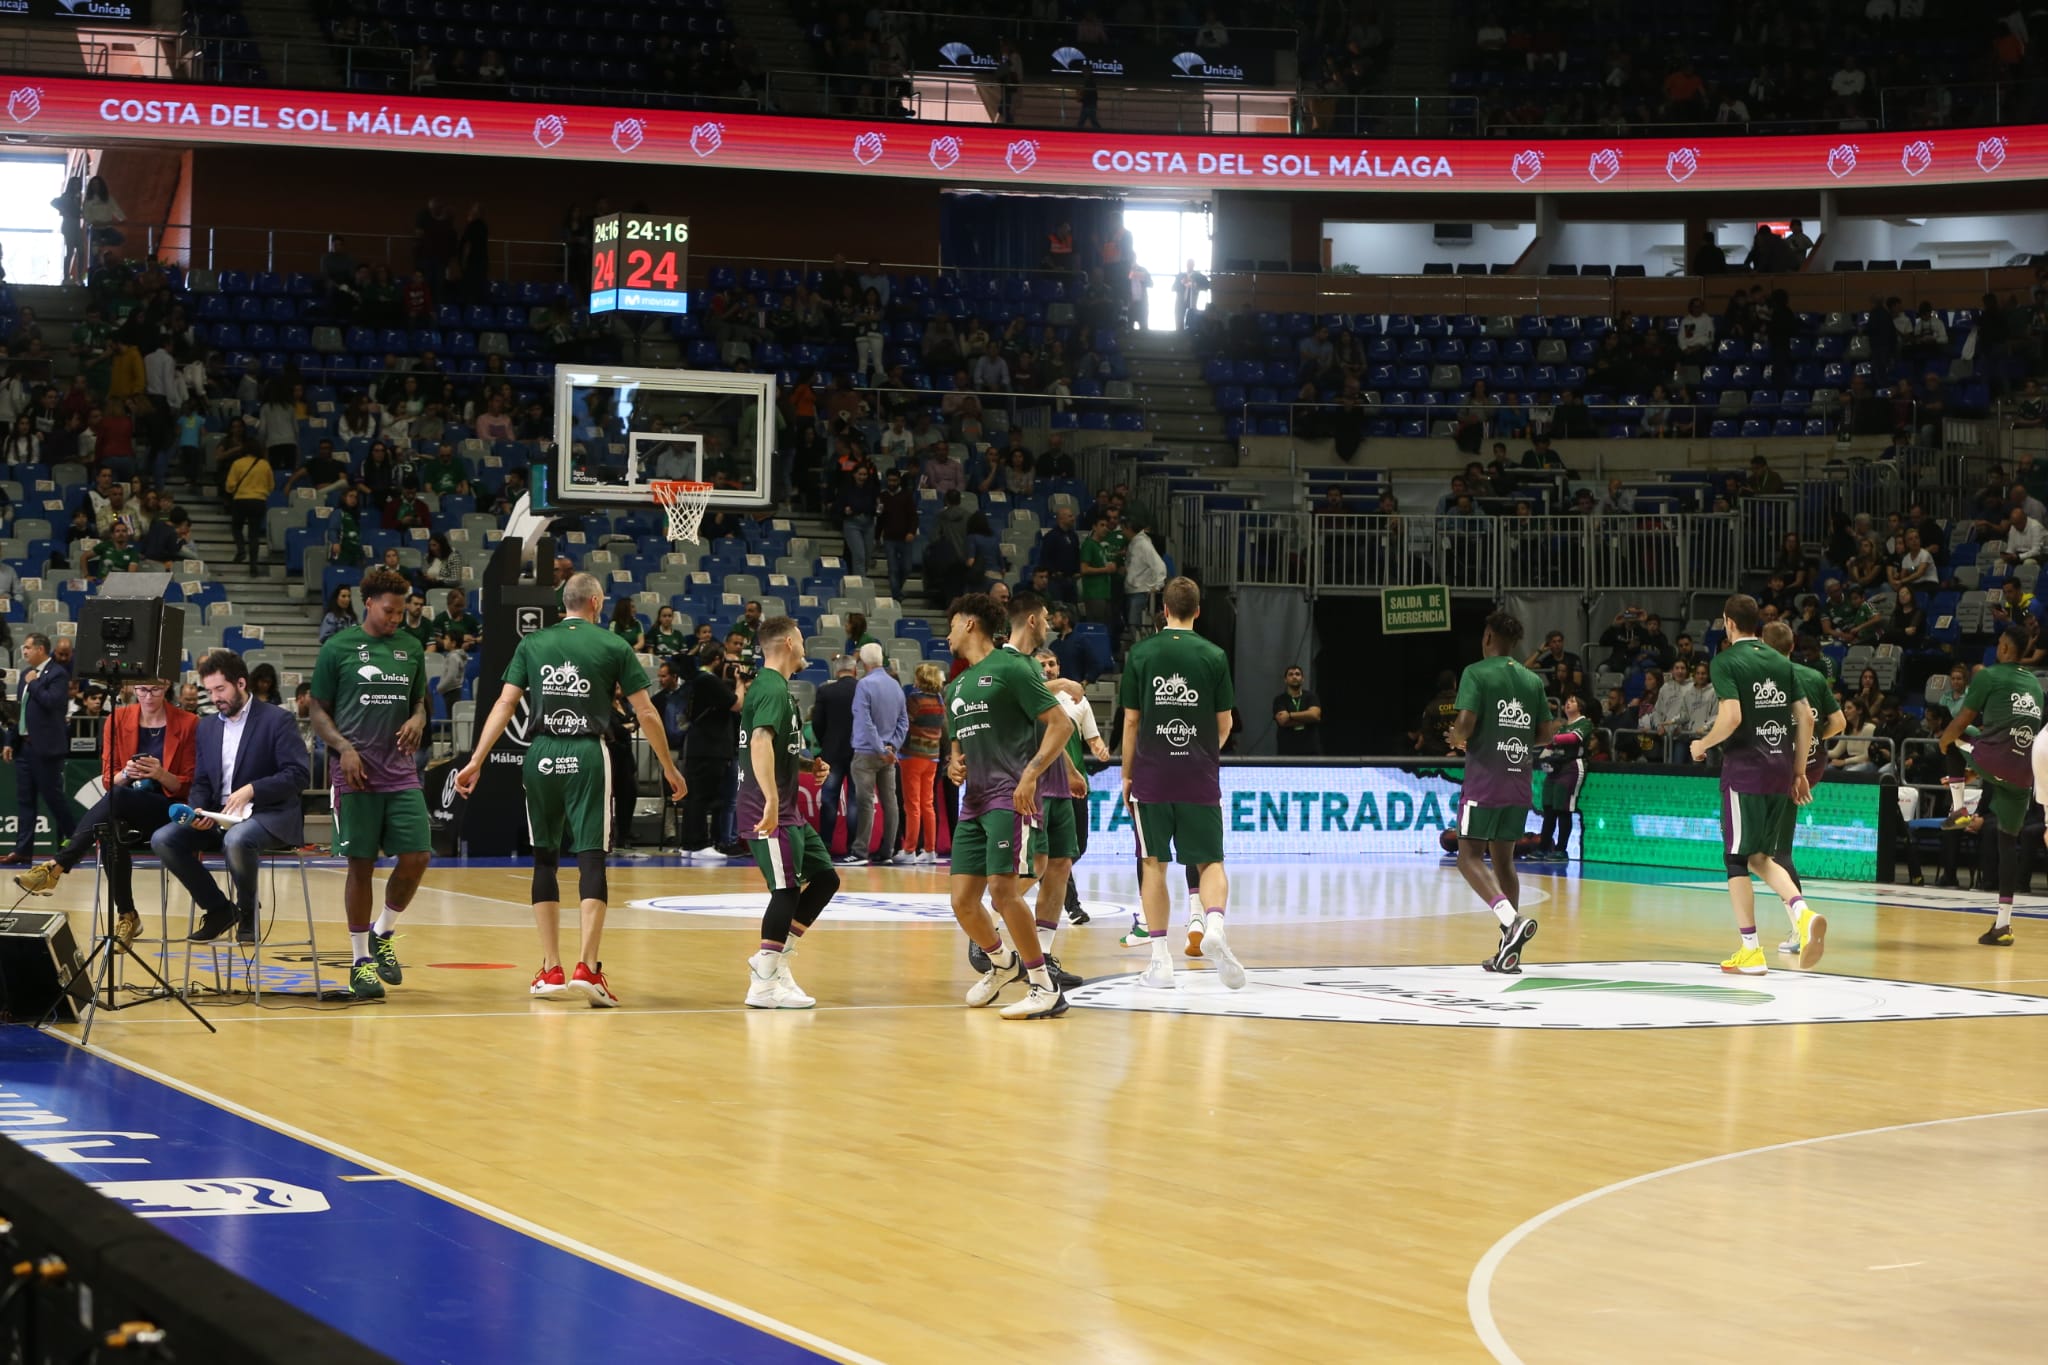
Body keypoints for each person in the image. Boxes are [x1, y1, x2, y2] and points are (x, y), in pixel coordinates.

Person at [454, 573, 685, 1006]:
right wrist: (669, 767)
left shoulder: (534, 643)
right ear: (596, 602)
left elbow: (504, 703)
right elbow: (647, 711)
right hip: (587, 753)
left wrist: (476, 759)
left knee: (545, 857)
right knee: (591, 856)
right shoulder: (614, 645)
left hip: (539, 753)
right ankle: (588, 968)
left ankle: (551, 968)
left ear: (565, 603)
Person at [944, 591, 1076, 1019]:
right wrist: (954, 765)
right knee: (963, 901)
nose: (945, 634)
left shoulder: (1013, 667)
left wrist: (1031, 774)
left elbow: (1060, 725)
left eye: (951, 624)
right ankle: (1003, 964)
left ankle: (1043, 986)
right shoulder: (956, 686)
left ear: (969, 624)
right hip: (974, 801)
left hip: (1009, 797)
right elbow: (958, 745)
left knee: (1003, 890)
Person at [307, 567, 434, 1000]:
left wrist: (418, 717)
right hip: (355, 774)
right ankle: (360, 960)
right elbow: (318, 711)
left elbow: (419, 701)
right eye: (389, 610)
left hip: (400, 771)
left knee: (417, 855)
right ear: (368, 604)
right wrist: (342, 747)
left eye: (401, 612)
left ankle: (384, 931)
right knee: (361, 866)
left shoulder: (411, 647)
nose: (396, 618)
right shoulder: (338, 648)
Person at [1118, 576, 1243, 990]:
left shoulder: (1141, 653)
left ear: (1164, 610)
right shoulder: (1214, 655)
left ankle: (1160, 962)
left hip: (1152, 776)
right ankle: (1215, 926)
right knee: (1211, 861)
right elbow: (1224, 723)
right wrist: (1206, 750)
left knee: (1153, 864)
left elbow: (1132, 720)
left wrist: (1126, 773)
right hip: (1199, 775)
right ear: (1198, 611)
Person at [1689, 595, 1821, 975]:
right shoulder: (1781, 662)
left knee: (1734, 859)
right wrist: (1798, 773)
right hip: (1781, 769)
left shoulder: (1726, 661)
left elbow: (1731, 717)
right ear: (1759, 626)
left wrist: (1702, 744)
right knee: (1761, 856)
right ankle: (1802, 913)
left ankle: (1752, 950)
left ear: (1728, 623)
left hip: (1745, 771)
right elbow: (1806, 719)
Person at [12, 678, 197, 944]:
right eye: (142, 690)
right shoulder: (118, 718)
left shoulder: (188, 722)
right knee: (110, 826)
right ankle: (128, 916)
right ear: (134, 689)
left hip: (169, 811)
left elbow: (188, 785)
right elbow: (109, 778)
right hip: (127, 806)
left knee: (117, 799)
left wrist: (160, 773)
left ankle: (58, 865)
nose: (148, 696)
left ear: (167, 686)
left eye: (155, 690)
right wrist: (126, 773)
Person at [151, 650, 310, 943]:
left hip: (267, 814)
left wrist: (253, 788)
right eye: (210, 691)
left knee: (236, 839)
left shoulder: (277, 720)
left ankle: (248, 910)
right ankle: (220, 909)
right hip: (218, 814)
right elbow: (201, 780)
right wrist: (198, 809)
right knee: (164, 839)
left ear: (240, 683)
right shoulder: (208, 726)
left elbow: (298, 774)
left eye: (220, 689)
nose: (214, 698)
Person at [734, 615, 841, 1007]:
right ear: (788, 643)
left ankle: (776, 960)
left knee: (826, 879)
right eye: (800, 637)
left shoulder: (776, 688)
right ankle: (763, 981)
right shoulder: (771, 690)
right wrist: (773, 800)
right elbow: (760, 742)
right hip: (768, 809)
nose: (804, 644)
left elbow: (777, 747)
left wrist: (808, 764)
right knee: (786, 891)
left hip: (786, 809)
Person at [1445, 612, 1554, 971]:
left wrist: (1456, 738)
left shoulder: (1476, 673)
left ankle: (1511, 920)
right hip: (1519, 781)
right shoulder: (1531, 680)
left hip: (1484, 781)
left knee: (1468, 857)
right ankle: (1509, 951)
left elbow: (1466, 723)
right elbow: (1546, 735)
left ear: (1488, 636)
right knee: (1504, 860)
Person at [1941, 626, 2042, 947]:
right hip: (2023, 776)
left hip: (1996, 761)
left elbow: (1961, 723)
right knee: (2006, 844)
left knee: (1954, 734)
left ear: (2004, 648)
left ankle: (1957, 809)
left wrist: (1944, 743)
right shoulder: (2035, 685)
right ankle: (2003, 925)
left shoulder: (1989, 676)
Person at [1762, 621, 1846, 950]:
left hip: (1781, 769)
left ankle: (1801, 924)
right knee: (1774, 850)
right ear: (1792, 646)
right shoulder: (1813, 677)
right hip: (1814, 765)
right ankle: (1799, 923)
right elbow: (1838, 722)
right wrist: (1809, 739)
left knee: (1774, 854)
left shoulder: (1765, 680)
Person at [0, 634, 76, 864]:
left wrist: (34, 683)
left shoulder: (58, 674)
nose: (23, 652)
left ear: (40, 649)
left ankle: (76, 843)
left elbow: (53, 703)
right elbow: (21, 711)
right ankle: (23, 850)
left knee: (53, 799)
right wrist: (9, 741)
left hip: (46, 749)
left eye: (27, 647)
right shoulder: (25, 674)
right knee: (25, 801)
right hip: (24, 747)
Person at [846, 642, 908, 867]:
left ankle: (860, 851)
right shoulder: (895, 685)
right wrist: (892, 747)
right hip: (889, 756)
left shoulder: (864, 685)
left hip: (866, 753)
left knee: (865, 803)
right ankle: (887, 851)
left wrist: (881, 748)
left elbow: (865, 721)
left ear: (863, 662)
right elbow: (904, 720)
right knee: (890, 803)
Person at [810, 654, 858, 853]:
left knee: (829, 800)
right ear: (855, 671)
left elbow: (816, 722)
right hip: (858, 752)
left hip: (832, 752)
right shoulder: (863, 689)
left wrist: (825, 743)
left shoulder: (825, 691)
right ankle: (853, 847)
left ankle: (826, 845)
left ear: (836, 671)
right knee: (855, 801)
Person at [901, 661, 946, 864]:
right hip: (932, 757)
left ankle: (909, 850)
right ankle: (930, 849)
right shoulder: (939, 700)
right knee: (928, 804)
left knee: (912, 805)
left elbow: (905, 724)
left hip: (912, 756)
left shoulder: (915, 700)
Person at [223, 434, 275, 566]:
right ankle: (253, 563)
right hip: (258, 501)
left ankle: (241, 550)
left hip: (241, 500)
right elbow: (271, 486)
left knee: (236, 527)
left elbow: (229, 487)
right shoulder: (264, 465)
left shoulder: (237, 463)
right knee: (254, 534)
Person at [1272, 664, 1322, 756]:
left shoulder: (1311, 696)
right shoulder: (1279, 699)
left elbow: (1315, 716)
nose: (1294, 676)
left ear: (1303, 679)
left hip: (1310, 751)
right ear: (1285, 680)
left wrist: (1290, 716)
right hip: (1287, 751)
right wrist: (1307, 719)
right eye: (1290, 674)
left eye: (1297, 674)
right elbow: (1282, 720)